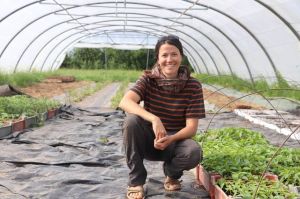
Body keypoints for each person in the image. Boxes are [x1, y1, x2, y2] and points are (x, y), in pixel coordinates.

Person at [119, 35, 206, 199]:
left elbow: (191, 128)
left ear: (181, 56)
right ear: (158, 58)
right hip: (150, 140)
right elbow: (125, 101)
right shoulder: (148, 79)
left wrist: (171, 138)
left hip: (174, 143)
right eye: (164, 55)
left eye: (174, 54)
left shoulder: (193, 86)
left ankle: (172, 174)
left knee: (193, 152)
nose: (169, 59)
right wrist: (154, 119)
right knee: (131, 121)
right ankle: (136, 181)